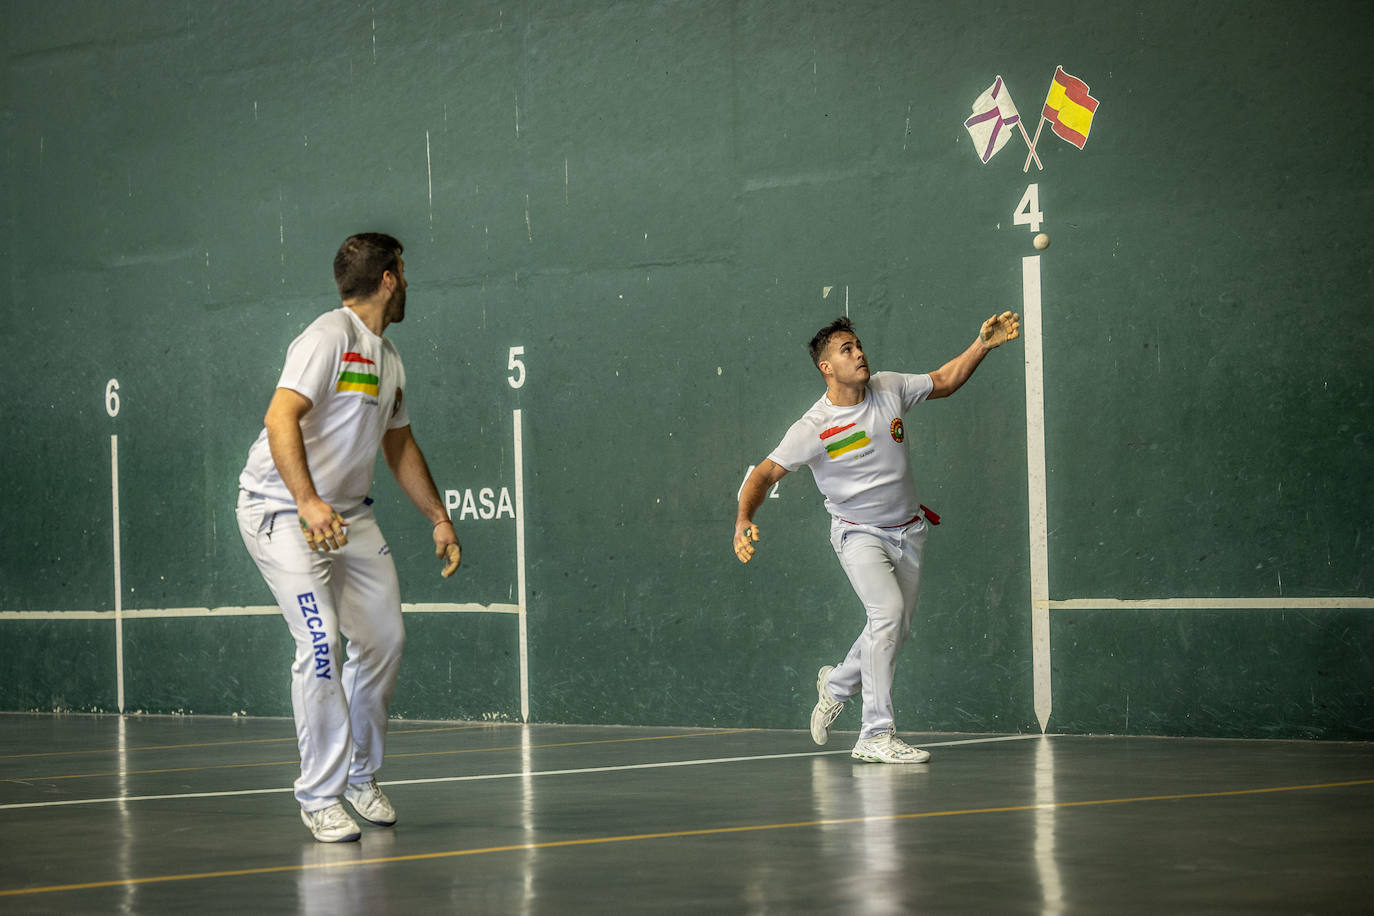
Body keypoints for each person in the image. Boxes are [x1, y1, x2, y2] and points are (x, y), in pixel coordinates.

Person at [236, 232, 462, 842]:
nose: (408, 284)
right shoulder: (328, 336)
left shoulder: (388, 359)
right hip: (281, 509)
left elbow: (399, 444)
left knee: (385, 637)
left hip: (348, 518)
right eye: (404, 274)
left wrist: (438, 517)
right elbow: (280, 415)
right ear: (389, 278)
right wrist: (307, 502)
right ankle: (318, 793)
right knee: (319, 645)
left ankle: (360, 775)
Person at [733, 311, 1020, 763]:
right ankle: (874, 734)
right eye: (846, 350)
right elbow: (765, 474)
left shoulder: (889, 387)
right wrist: (743, 519)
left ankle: (836, 685)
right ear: (826, 367)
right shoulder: (813, 429)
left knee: (894, 629)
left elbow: (944, 380)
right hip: (857, 534)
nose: (859, 353)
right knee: (886, 615)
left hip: (909, 531)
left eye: (858, 345)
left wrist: (981, 344)